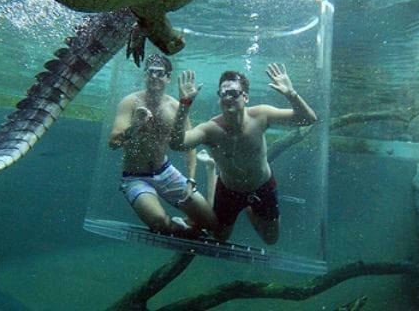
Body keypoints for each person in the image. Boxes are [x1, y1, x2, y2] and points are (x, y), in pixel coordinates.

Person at [170, 63, 317, 244]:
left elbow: (308, 119)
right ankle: (212, 170)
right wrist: (184, 105)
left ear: (245, 97)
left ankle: (248, 207)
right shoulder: (211, 129)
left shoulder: (261, 115)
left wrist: (291, 94)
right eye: (223, 93)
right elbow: (177, 145)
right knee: (220, 238)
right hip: (229, 190)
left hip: (262, 186)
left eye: (233, 93)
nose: (227, 97)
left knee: (271, 239)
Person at [109, 53, 218, 237]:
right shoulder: (130, 102)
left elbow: (189, 145)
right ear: (145, 75)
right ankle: (180, 227)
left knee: (211, 224)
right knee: (160, 224)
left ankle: (185, 224)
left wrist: (191, 181)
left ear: (168, 78)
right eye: (150, 72)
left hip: (165, 171)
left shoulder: (176, 106)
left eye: (160, 73)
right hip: (135, 176)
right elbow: (113, 143)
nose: (154, 76)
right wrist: (135, 126)